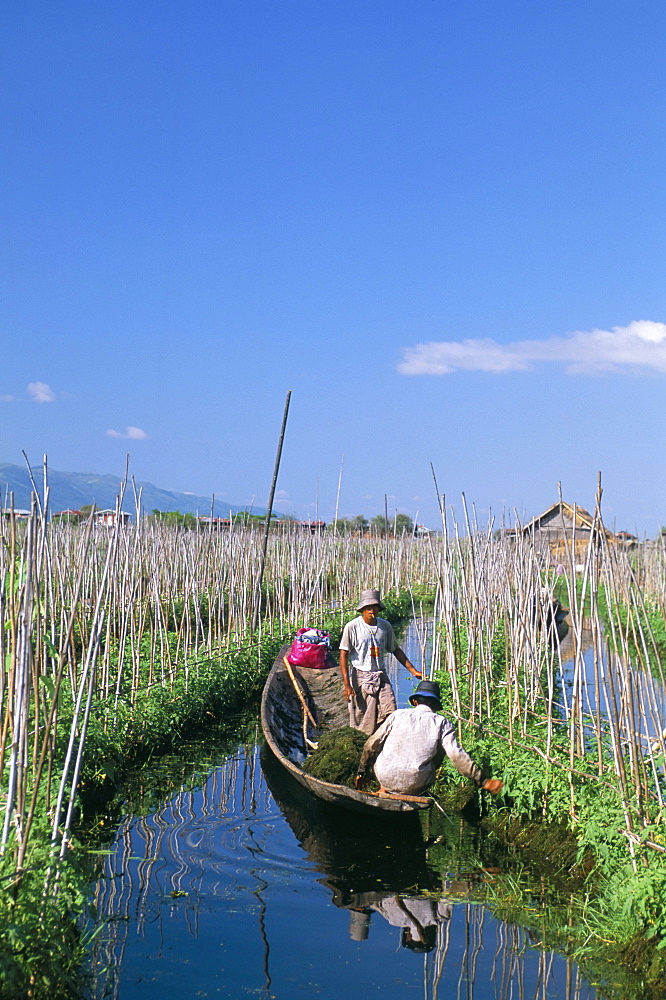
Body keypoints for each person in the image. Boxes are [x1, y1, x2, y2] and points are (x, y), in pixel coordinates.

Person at [355, 679, 503, 797]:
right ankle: (413, 790)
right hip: (417, 781)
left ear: (414, 702)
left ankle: (384, 789)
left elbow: (371, 745)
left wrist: (363, 771)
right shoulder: (442, 722)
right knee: (440, 749)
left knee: (383, 746)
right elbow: (456, 755)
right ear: (435, 705)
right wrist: (482, 780)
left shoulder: (397, 715)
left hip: (385, 776)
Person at [339, 589, 421, 735]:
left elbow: (395, 649)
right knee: (363, 716)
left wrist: (412, 670)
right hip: (361, 675)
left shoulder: (385, 626)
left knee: (390, 710)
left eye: (374, 607)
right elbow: (343, 653)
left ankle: (385, 740)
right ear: (362, 609)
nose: (371, 611)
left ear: (379, 609)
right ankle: (364, 741)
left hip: (381, 674)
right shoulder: (352, 627)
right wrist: (347, 684)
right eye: (368, 608)